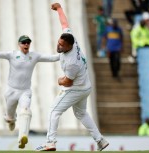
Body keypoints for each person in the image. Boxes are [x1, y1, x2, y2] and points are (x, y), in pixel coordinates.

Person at [35, 3, 109, 151]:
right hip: (85, 86)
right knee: (81, 113)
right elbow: (64, 23)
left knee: (54, 111)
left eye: (62, 46)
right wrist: (59, 8)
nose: (59, 46)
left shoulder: (71, 63)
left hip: (76, 88)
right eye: (59, 42)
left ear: (69, 46)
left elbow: (67, 82)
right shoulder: (70, 38)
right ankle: (100, 140)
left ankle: (50, 142)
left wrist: (59, 80)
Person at [0, 36, 59, 149]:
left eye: (28, 43)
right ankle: (11, 120)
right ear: (19, 44)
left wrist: (65, 53)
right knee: (10, 117)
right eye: (24, 43)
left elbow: (51, 58)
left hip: (25, 91)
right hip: (11, 91)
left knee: (25, 111)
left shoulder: (34, 56)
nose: (26, 44)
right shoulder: (12, 54)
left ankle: (22, 137)